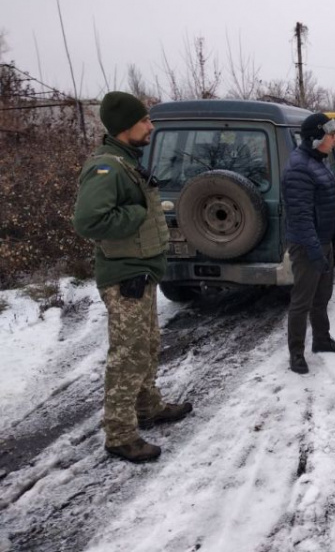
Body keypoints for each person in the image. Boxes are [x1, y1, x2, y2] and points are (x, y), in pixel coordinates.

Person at [72, 91, 193, 463]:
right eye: (145, 121)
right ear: (126, 127)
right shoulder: (106, 167)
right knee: (127, 355)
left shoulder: (126, 161)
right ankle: (120, 434)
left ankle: (148, 406)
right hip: (124, 276)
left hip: (140, 273)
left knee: (147, 346)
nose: (151, 127)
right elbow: (88, 221)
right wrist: (136, 216)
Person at [282, 112, 335, 375]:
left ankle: (322, 340)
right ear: (316, 139)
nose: (334, 139)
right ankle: (296, 354)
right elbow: (301, 218)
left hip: (321, 241)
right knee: (302, 301)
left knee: (322, 297)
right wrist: (314, 251)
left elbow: (325, 204)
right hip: (306, 244)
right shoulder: (300, 167)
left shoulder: (318, 162)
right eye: (330, 135)